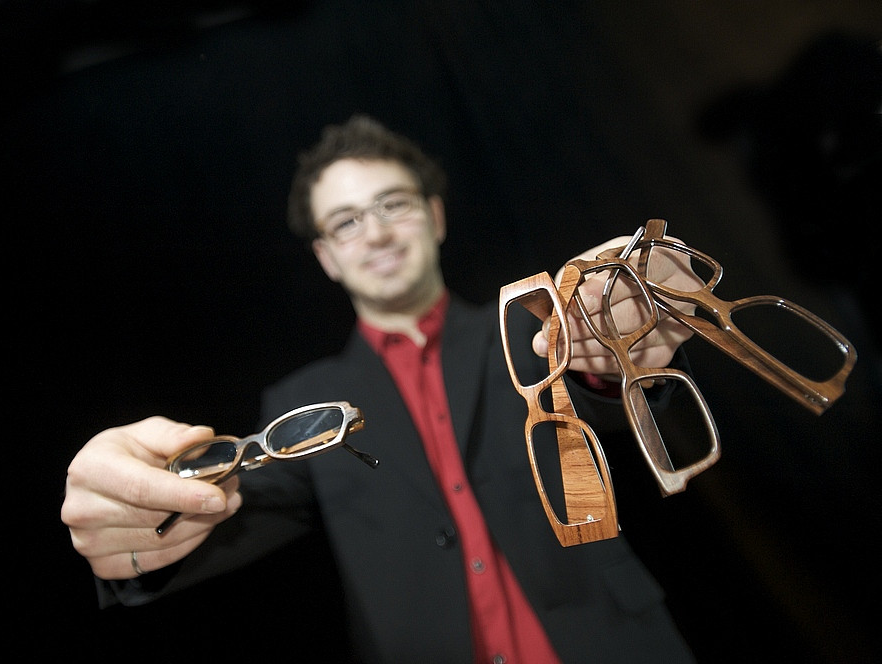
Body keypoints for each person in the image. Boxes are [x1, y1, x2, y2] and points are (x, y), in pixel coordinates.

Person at [62, 114, 701, 663]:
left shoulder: (529, 326)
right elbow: (230, 510)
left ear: (435, 216)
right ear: (326, 257)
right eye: (345, 222)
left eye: (392, 203)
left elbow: (604, 397)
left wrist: (611, 361)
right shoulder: (298, 404)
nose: (375, 232)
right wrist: (140, 518)